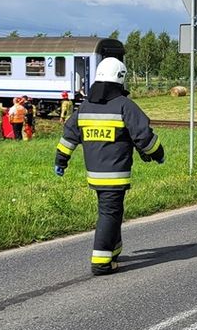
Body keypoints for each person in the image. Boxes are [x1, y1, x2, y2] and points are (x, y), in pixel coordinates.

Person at [54, 57, 164, 276]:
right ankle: (101, 261)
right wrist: (158, 154)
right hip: (116, 175)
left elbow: (69, 136)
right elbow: (144, 137)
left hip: (94, 175)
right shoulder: (124, 106)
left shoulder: (85, 107)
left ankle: (114, 251)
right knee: (110, 213)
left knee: (112, 211)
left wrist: (61, 160)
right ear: (120, 79)